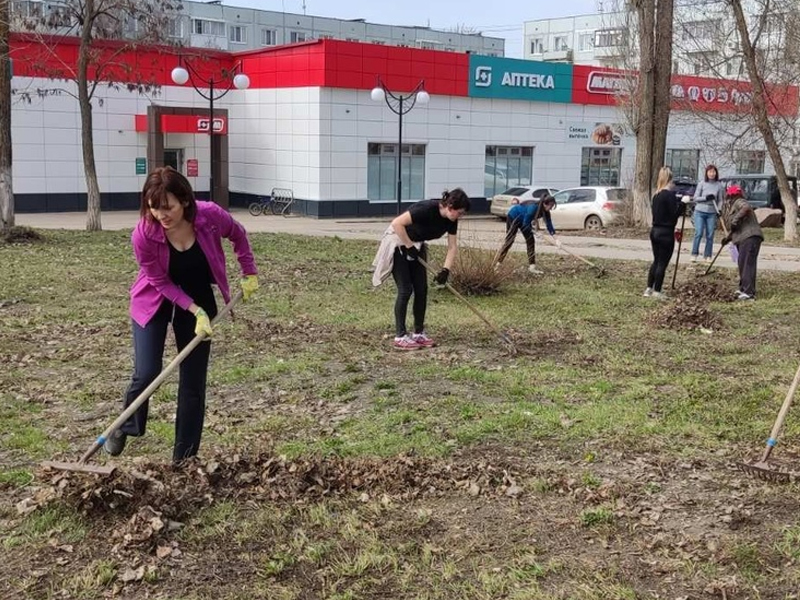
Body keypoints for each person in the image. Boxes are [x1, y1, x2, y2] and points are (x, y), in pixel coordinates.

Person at [104, 166, 259, 462]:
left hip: (198, 291)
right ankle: (125, 424)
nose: (162, 215)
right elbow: (159, 281)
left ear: (185, 200)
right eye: (154, 207)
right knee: (147, 371)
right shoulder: (143, 234)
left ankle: (184, 458)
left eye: (168, 207)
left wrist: (249, 272)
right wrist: (194, 309)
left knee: (192, 380)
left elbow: (238, 234)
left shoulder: (209, 215)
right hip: (155, 297)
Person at [371, 189, 470, 350]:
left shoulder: (452, 220)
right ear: (450, 206)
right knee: (405, 290)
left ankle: (418, 333)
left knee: (422, 289)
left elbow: (452, 247)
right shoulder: (426, 209)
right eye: (459, 213)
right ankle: (400, 336)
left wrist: (446, 270)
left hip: (417, 246)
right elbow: (397, 223)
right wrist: (409, 246)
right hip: (399, 243)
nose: (460, 216)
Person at [644, 166, 691, 299]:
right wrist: (682, 203)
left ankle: (649, 288)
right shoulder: (669, 195)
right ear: (670, 180)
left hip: (655, 231)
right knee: (662, 263)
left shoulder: (656, 195)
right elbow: (673, 216)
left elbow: (660, 215)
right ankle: (657, 291)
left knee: (656, 260)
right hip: (665, 233)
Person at [494, 194, 560, 275]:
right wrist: (536, 232)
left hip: (524, 220)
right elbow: (525, 225)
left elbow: (549, 225)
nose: (551, 208)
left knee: (530, 241)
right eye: (551, 206)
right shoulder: (533, 208)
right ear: (544, 204)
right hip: (513, 216)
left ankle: (532, 267)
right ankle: (497, 265)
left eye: (553, 206)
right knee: (509, 241)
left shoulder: (546, 212)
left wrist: (556, 239)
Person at [720, 184, 763, 301]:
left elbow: (746, 208)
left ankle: (749, 293)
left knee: (747, 264)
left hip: (750, 237)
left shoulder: (739, 201)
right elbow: (736, 227)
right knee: (742, 262)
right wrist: (728, 238)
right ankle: (743, 288)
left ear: (731, 195)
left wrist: (734, 219)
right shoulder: (734, 204)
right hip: (744, 238)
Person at [691, 164, 724, 263]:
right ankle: (694, 254)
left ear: (716, 173)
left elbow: (720, 200)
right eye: (710, 172)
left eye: (713, 172)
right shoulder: (702, 183)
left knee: (710, 234)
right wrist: (706, 198)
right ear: (706, 173)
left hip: (712, 213)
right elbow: (695, 198)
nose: (712, 174)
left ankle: (708, 255)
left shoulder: (718, 185)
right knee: (699, 232)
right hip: (700, 212)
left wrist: (719, 209)